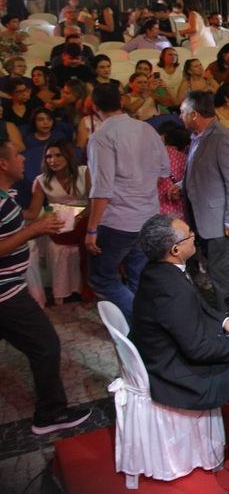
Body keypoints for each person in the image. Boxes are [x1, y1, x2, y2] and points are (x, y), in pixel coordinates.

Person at [130, 214, 229, 460]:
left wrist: (225, 321)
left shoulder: (159, 271)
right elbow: (198, 349)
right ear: (175, 249)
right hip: (174, 373)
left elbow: (195, 308)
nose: (195, 238)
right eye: (190, 235)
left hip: (165, 354)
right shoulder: (171, 290)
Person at [0, 139, 92, 435]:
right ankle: (50, 415)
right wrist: (34, 230)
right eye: (17, 154)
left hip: (10, 287)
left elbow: (22, 221)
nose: (24, 159)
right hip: (6, 294)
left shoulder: (5, 196)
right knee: (46, 346)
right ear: (3, 163)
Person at [84, 82, 170, 322]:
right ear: (121, 102)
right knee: (138, 275)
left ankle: (140, 322)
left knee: (101, 278)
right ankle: (145, 326)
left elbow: (102, 187)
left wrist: (91, 229)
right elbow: (164, 170)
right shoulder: (146, 129)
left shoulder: (101, 137)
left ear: (94, 106)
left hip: (118, 222)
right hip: (148, 215)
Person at [181, 90, 229, 310]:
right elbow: (203, 172)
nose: (179, 117)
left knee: (222, 270)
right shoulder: (198, 137)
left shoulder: (222, 138)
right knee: (222, 269)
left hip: (223, 220)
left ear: (194, 114)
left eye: (182, 112)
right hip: (207, 215)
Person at [22, 138, 89, 305]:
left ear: (68, 156)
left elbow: (95, 201)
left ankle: (86, 291)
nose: (53, 160)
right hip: (61, 224)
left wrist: (79, 217)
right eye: (49, 157)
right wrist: (7, 210)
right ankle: (61, 293)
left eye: (58, 155)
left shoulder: (85, 172)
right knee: (55, 245)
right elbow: (32, 212)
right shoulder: (41, 180)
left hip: (87, 220)